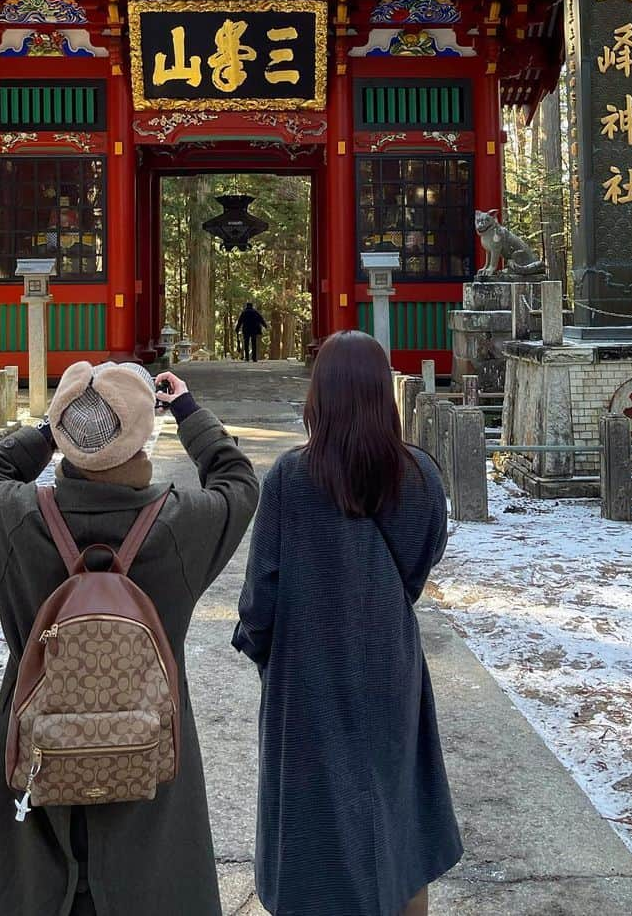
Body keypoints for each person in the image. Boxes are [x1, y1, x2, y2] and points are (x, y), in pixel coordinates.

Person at [0, 360, 259, 916]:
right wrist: (186, 409)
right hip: (149, 768)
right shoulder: (182, 526)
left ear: (64, 438)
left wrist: (48, 429)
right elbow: (237, 481)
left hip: (35, 763)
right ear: (142, 437)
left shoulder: (11, 517)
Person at [233, 330, 463, 916]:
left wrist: (267, 653)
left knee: (309, 821)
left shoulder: (290, 479)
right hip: (390, 663)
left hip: (307, 670)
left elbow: (262, 595)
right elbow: (417, 565)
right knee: (398, 811)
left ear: (320, 397)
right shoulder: (422, 478)